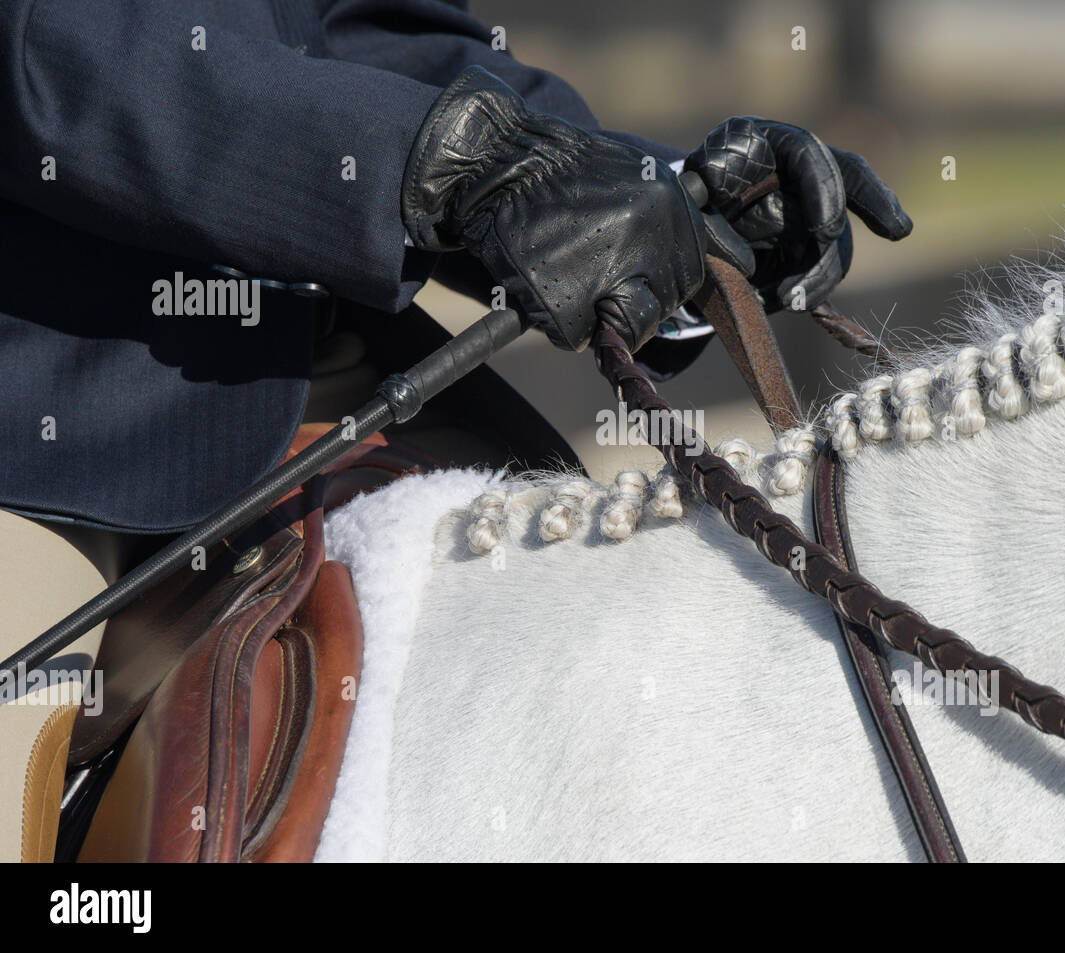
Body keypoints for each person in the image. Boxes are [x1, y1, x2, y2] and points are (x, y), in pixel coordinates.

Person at [0, 0, 911, 860]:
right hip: (41, 419)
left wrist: (663, 200)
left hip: (307, 364)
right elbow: (51, 47)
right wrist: (448, 165)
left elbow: (376, 25)